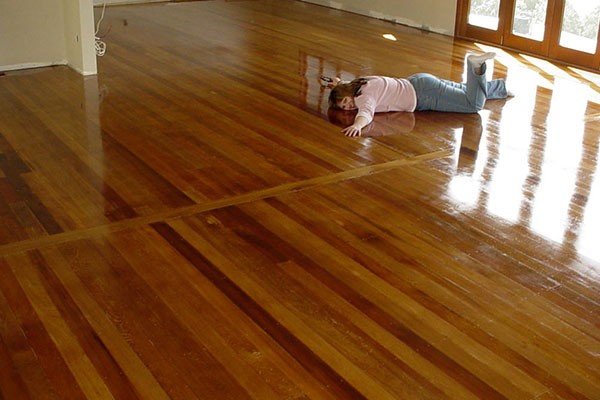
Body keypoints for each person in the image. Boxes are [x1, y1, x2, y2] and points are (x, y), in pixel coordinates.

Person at [326, 52, 511, 137]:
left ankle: (475, 67)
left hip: (424, 95)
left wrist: (357, 126)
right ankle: (499, 88)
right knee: (464, 91)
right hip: (419, 81)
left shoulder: (364, 97)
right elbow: (345, 87)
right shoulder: (361, 81)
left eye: (346, 102)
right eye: (345, 107)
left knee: (473, 105)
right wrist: (337, 83)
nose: (349, 107)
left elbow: (365, 113)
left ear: (349, 94)